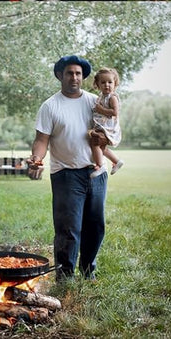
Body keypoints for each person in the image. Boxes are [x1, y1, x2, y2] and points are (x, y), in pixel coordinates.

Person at [28, 55, 107, 280]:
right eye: (70, 73)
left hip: (96, 174)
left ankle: (88, 269)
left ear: (83, 77)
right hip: (66, 174)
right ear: (60, 75)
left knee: (96, 226)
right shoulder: (50, 106)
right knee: (68, 229)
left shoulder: (94, 102)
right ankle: (65, 276)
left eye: (78, 73)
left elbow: (109, 128)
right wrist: (37, 158)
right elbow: (42, 140)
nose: (74, 77)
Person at [89, 67, 124, 177]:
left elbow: (115, 112)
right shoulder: (101, 97)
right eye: (103, 82)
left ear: (115, 83)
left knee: (95, 143)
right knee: (101, 147)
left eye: (110, 82)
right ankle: (116, 161)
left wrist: (100, 110)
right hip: (102, 125)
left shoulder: (112, 97)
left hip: (108, 127)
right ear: (98, 85)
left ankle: (100, 166)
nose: (107, 85)